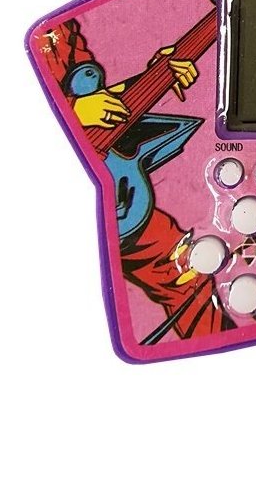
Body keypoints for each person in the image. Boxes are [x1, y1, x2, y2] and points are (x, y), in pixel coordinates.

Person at [37, 19, 231, 339]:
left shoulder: (63, 30)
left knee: (187, 274)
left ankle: (214, 346)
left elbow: (100, 98)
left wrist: (154, 77)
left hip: (121, 197)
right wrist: (74, 110)